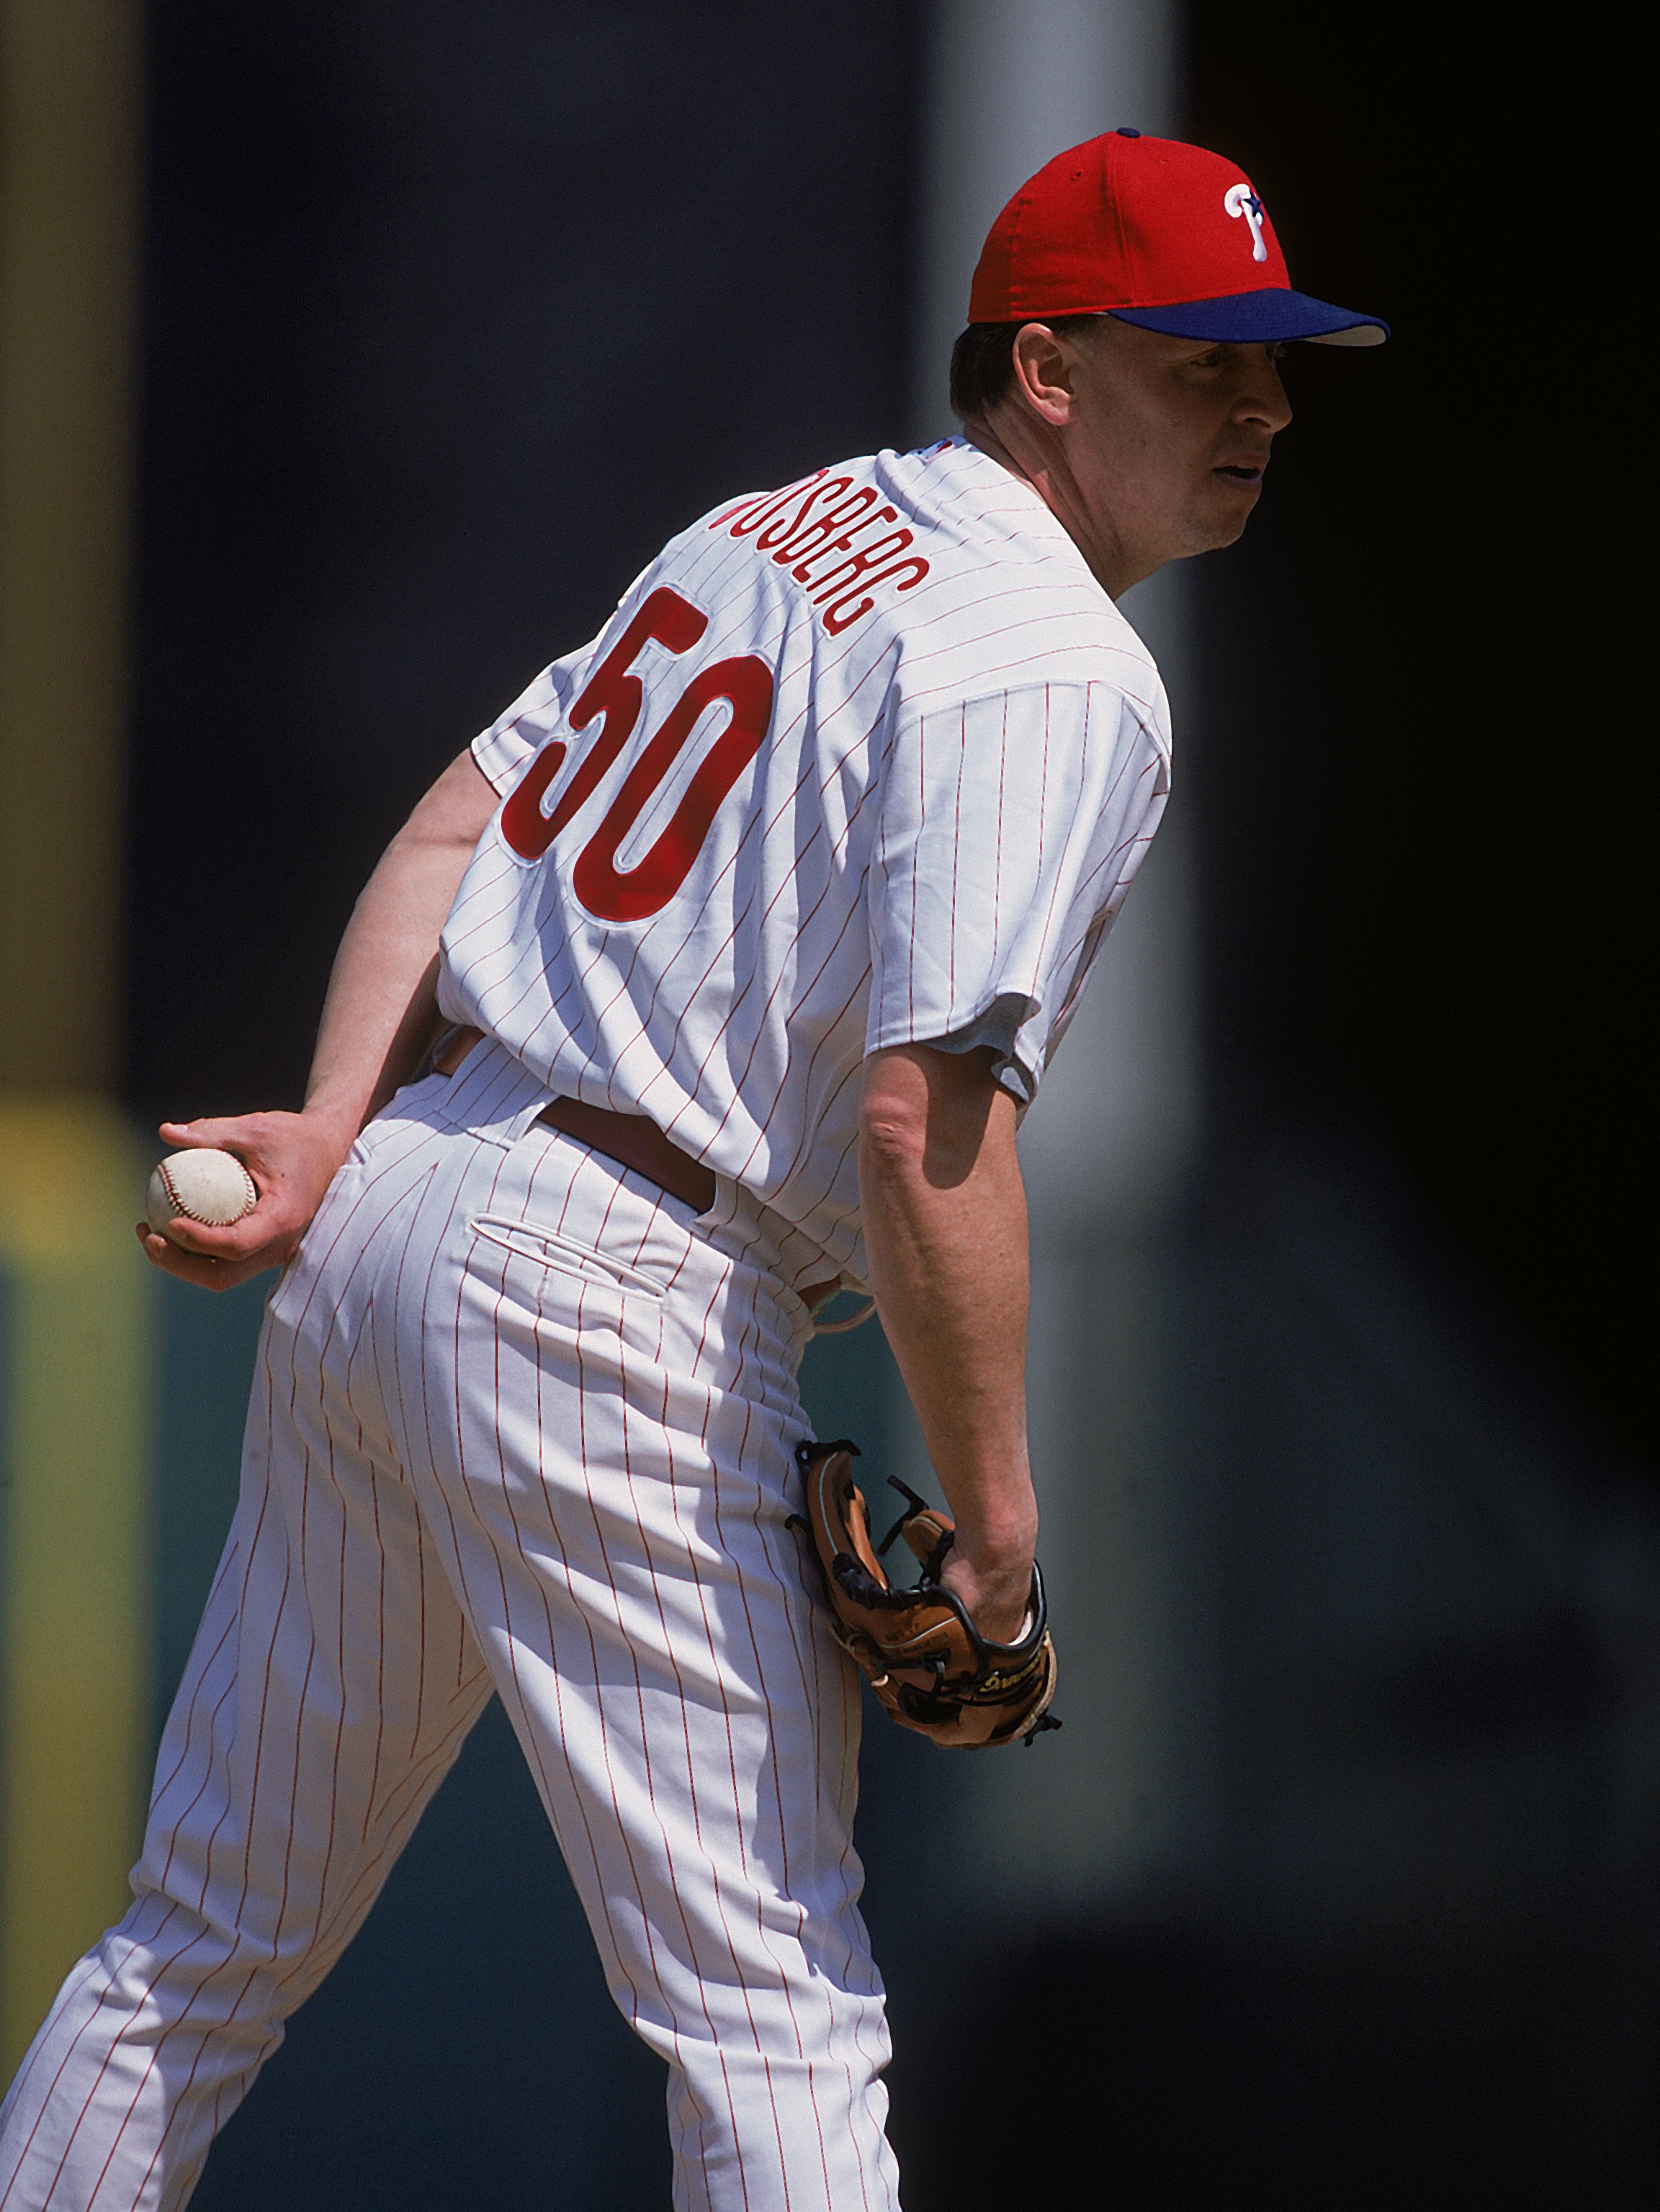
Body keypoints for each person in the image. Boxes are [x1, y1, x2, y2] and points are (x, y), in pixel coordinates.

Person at [0, 130, 1383, 2212]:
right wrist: (999, 1530)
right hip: (616, 1281)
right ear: (1047, 368)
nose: (1262, 405)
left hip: (403, 1220)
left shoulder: (777, 529)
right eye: (1203, 358)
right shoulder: (1050, 662)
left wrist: (331, 1130)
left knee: (191, 1952)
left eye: (1274, 363)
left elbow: (460, 825)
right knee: (773, 2019)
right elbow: (930, 1132)